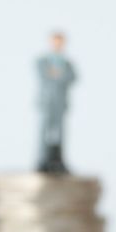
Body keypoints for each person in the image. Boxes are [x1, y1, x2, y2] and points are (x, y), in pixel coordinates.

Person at [37, 31, 76, 173]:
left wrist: (56, 74)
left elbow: (71, 77)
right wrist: (58, 74)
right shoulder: (42, 61)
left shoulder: (67, 63)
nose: (57, 44)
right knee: (44, 132)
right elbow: (44, 75)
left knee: (60, 132)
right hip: (46, 102)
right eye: (55, 41)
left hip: (61, 102)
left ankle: (58, 160)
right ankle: (41, 160)